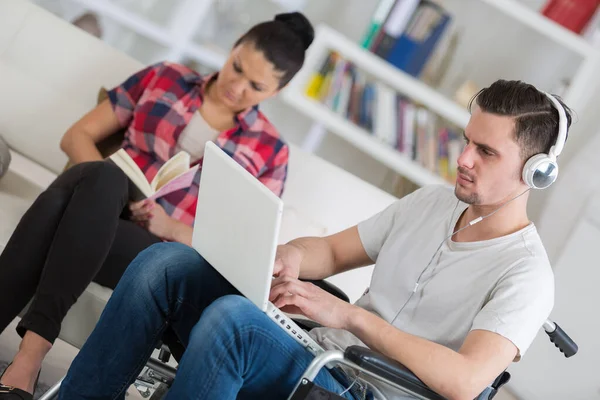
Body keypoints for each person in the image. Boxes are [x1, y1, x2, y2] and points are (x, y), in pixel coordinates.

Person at [58, 79, 572, 400]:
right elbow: (330, 252)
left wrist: (349, 316)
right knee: (165, 264)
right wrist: (288, 256)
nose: (463, 158)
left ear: (537, 172)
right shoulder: (433, 203)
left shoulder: (525, 275)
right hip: (318, 355)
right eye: (466, 141)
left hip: (363, 390)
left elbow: (464, 383)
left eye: (485, 151)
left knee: (235, 323)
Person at [0, 12, 314, 399]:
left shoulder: (270, 151)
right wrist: (115, 190)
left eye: (256, 86)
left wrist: (170, 228)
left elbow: (240, 247)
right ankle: (27, 364)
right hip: (103, 206)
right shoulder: (166, 77)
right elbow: (77, 136)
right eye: (236, 68)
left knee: (60, 210)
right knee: (106, 177)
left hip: (158, 253)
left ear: (275, 93)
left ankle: (30, 358)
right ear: (233, 49)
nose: (237, 86)